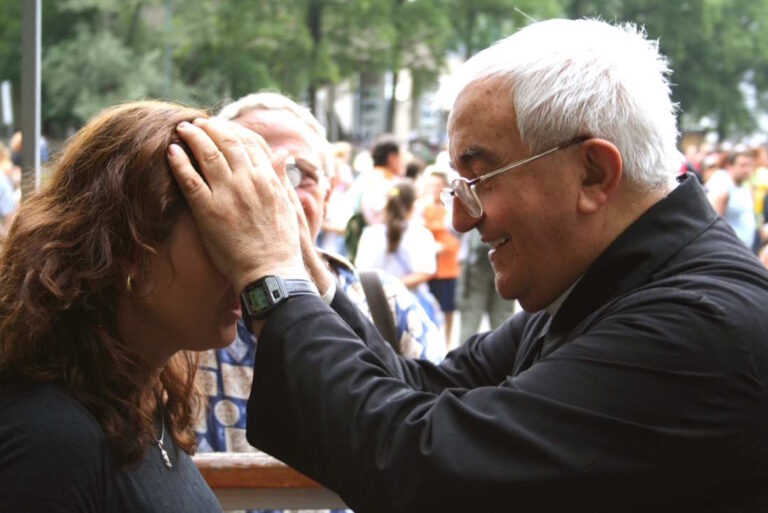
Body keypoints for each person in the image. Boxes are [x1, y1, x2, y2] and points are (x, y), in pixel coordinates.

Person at [169, 19, 768, 513]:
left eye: (479, 178)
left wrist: (272, 278)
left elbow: (420, 459)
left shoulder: (702, 324)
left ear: (593, 174)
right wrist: (303, 261)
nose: (459, 219)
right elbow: (419, 390)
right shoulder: (606, 284)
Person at [0, 101, 227, 512]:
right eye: (218, 238)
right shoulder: (50, 440)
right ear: (128, 251)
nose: (242, 264)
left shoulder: (138, 398)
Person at [196, 93, 445, 456]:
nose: (274, 192)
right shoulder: (174, 316)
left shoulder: (386, 307)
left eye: (299, 175)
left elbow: (436, 442)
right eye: (248, 171)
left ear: (328, 198)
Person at [355, 180, 442, 328]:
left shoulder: (371, 234)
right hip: (412, 309)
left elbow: (361, 272)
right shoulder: (421, 234)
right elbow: (425, 272)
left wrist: (383, 288)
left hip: (374, 307)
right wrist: (395, 285)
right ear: (413, 205)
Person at [456, 229, 516, 342]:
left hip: (476, 260)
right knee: (502, 316)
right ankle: (504, 356)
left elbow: (454, 228)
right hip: (506, 258)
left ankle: (463, 355)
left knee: (471, 315)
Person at [706, 149, 757, 250]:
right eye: (743, 165)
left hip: (744, 250)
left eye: (750, 165)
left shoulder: (744, 184)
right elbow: (713, 223)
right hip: (728, 250)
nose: (747, 170)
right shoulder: (723, 184)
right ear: (729, 166)